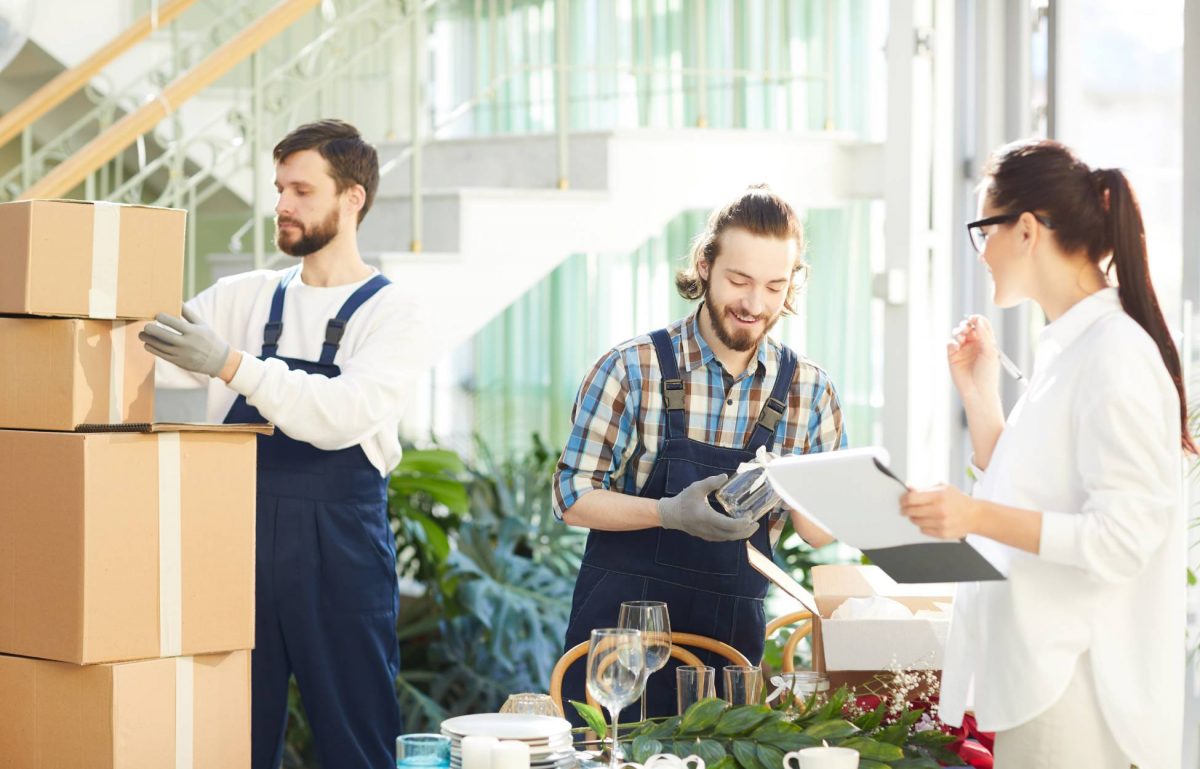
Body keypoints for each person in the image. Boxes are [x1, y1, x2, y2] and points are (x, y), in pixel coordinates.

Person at [899, 139, 1191, 769]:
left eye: (984, 231)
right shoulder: (1072, 351)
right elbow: (1027, 493)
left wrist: (972, 517)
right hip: (1050, 679)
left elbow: (1118, 539)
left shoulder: (1114, 355)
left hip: (1083, 690)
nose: (981, 253)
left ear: (1026, 230)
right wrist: (980, 397)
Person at [141, 120, 415, 769]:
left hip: (340, 555)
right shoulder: (246, 297)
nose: (282, 205)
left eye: (301, 189)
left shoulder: (393, 312)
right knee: (230, 741)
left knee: (359, 743)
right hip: (237, 544)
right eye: (278, 189)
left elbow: (340, 414)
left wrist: (233, 364)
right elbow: (140, 348)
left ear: (352, 198)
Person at [554, 185, 847, 720]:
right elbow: (571, 497)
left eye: (774, 286)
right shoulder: (631, 368)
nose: (755, 305)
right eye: (739, 280)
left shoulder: (810, 392)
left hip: (725, 663)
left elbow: (818, 532)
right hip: (621, 655)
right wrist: (667, 513)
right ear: (705, 265)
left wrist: (809, 484)